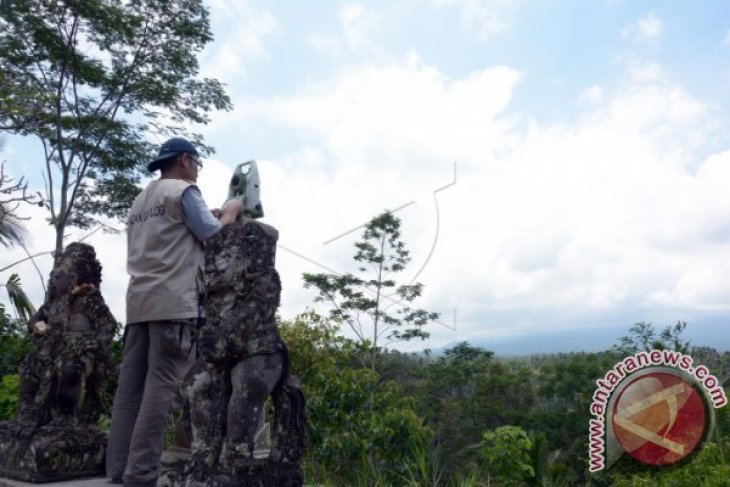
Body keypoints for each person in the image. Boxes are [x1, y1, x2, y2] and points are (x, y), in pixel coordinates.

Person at [106, 137, 243, 487]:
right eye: (196, 163)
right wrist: (230, 213)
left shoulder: (143, 198)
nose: (197, 170)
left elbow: (173, 233)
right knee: (162, 388)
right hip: (174, 304)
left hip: (139, 304)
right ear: (184, 160)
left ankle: (118, 469)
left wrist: (208, 217)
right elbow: (214, 237)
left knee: (130, 389)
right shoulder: (184, 191)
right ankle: (141, 474)